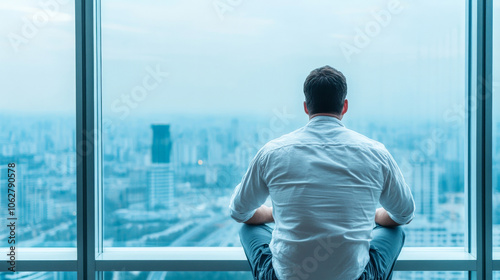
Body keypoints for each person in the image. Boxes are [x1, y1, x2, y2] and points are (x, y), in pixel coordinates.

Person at [229, 65, 415, 280]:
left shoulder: (273, 152)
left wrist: (274, 214)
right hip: (355, 277)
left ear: (306, 107)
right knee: (395, 231)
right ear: (344, 106)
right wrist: (368, 215)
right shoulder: (375, 153)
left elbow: (239, 211)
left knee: (249, 229)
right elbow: (404, 214)